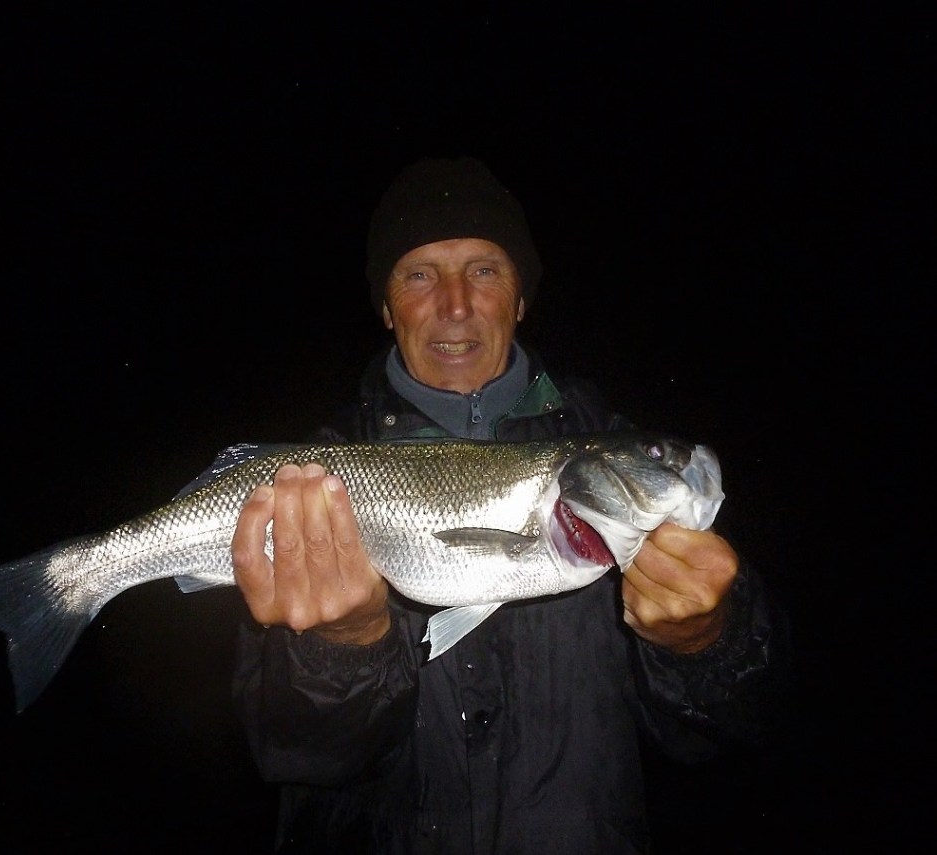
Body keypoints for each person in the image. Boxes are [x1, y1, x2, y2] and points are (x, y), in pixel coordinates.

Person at [228, 155, 792, 853]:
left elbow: (736, 733)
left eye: (485, 270)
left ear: (521, 296)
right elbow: (290, 755)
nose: (456, 303)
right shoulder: (306, 485)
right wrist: (339, 652)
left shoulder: (622, 472)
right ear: (386, 305)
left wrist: (706, 641)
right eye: (420, 273)